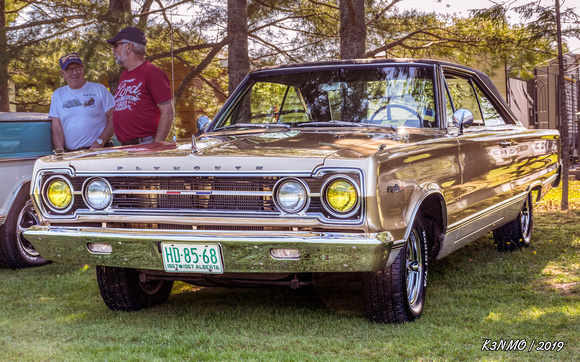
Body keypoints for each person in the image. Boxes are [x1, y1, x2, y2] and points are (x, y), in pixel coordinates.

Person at [107, 27, 174, 145]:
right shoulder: (124, 74)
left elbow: (168, 112)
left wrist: (157, 145)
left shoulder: (152, 72)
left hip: (146, 145)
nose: (113, 49)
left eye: (116, 45)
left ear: (129, 47)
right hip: (126, 146)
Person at [49, 52, 115, 153]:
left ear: (83, 68)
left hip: (101, 151)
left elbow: (114, 117)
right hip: (72, 154)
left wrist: (100, 141)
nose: (75, 72)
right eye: (70, 69)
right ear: (63, 73)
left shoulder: (99, 89)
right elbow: (56, 126)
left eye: (77, 68)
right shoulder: (58, 95)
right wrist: (59, 151)